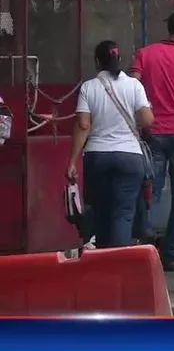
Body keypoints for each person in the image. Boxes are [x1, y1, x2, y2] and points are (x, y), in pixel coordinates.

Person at [129, 11, 174, 271]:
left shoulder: (145, 54)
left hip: (152, 132)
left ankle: (145, 250)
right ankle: (172, 256)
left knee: (151, 191)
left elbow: (132, 85)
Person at [67, 41, 153, 249]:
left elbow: (83, 125)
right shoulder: (134, 85)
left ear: (97, 62)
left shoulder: (89, 87)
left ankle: (103, 256)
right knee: (123, 213)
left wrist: (72, 161)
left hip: (98, 157)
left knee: (101, 212)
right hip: (130, 157)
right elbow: (147, 120)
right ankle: (119, 259)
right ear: (119, 59)